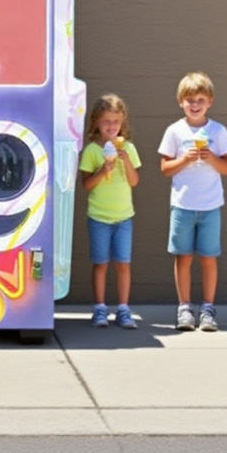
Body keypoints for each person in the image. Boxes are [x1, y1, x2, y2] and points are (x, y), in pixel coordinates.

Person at [159, 72, 227, 332]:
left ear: (210, 102)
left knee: (209, 258)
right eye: (190, 99)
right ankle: (184, 308)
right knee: (183, 257)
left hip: (210, 206)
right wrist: (185, 160)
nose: (195, 104)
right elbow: (165, 168)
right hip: (182, 205)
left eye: (200, 99)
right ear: (181, 102)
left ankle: (208, 309)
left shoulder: (218, 131)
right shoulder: (174, 131)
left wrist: (211, 157)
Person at [79, 94, 142, 329]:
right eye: (106, 121)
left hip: (124, 217)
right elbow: (86, 185)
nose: (111, 126)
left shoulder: (129, 148)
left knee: (123, 263)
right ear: (96, 122)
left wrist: (125, 160)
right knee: (101, 263)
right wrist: (103, 170)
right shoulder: (92, 151)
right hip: (99, 217)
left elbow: (134, 181)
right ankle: (100, 308)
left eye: (116, 121)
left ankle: (123, 309)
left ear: (122, 122)